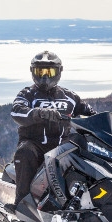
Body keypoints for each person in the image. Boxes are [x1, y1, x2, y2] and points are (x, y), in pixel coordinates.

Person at [8, 50, 96, 211]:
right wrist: (38, 113)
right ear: (33, 72)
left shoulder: (70, 96)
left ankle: (89, 203)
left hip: (62, 146)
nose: (45, 76)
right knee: (24, 152)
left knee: (86, 157)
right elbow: (16, 111)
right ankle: (22, 205)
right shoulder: (27, 94)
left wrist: (103, 120)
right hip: (34, 144)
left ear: (59, 72)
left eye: (50, 71)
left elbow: (90, 113)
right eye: (40, 71)